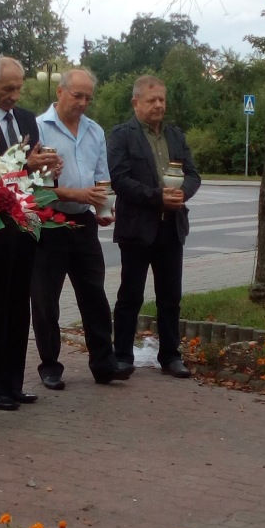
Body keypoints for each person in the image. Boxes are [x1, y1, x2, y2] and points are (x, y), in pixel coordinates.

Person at [0, 56, 60, 410]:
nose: (15, 96)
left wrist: (48, 168)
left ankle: (12, 382)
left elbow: (33, 167)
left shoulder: (25, 119)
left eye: (19, 88)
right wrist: (23, 165)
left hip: (23, 224)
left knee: (19, 304)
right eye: (8, 89)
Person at [31, 68, 133, 390]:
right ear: (60, 92)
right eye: (77, 95)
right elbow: (33, 187)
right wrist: (76, 194)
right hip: (48, 221)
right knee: (46, 299)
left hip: (83, 221)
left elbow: (102, 177)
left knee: (94, 294)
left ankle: (104, 364)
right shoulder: (38, 128)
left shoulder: (94, 131)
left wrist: (103, 208)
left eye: (88, 97)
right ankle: (50, 365)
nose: (83, 103)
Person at [108, 75, 201, 379]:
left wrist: (181, 193)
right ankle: (121, 356)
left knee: (170, 296)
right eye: (152, 100)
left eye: (162, 99)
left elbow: (193, 174)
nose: (159, 104)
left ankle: (171, 356)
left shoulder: (175, 136)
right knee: (131, 295)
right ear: (136, 103)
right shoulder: (122, 135)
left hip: (171, 227)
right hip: (137, 228)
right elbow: (119, 179)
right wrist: (158, 197)